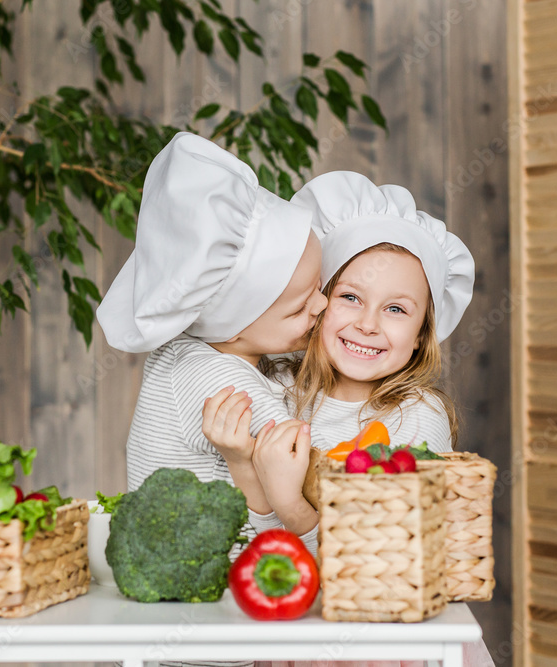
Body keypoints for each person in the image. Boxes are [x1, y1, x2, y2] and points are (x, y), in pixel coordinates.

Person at [204, 171, 492, 667]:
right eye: (351, 297)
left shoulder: (415, 420)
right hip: (297, 632)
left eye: (397, 309)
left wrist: (290, 502)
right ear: (318, 301)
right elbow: (257, 561)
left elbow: (378, 566)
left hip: (385, 644)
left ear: (423, 335)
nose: (367, 323)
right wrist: (242, 466)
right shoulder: (273, 393)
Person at [95, 131, 331, 558]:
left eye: (320, 285)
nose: (324, 303)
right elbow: (314, 471)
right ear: (234, 328)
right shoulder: (222, 380)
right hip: (216, 579)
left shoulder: (187, 350)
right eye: (300, 308)